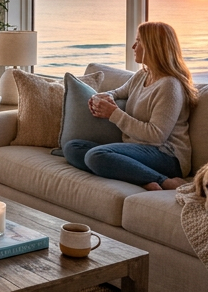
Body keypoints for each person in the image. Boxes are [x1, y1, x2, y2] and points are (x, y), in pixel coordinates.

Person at [62, 21, 198, 191]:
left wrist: (113, 113)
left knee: (96, 155)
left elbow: (156, 136)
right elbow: (118, 92)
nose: (133, 46)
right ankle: (140, 178)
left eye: (139, 41)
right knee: (72, 147)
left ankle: (164, 181)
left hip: (166, 155)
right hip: (136, 150)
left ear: (153, 47)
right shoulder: (142, 75)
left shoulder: (169, 85)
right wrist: (103, 97)